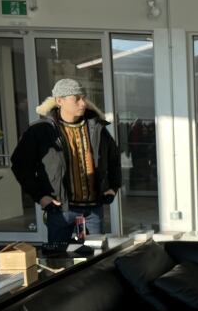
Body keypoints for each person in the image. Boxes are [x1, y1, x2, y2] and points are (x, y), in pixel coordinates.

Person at [11, 78, 121, 242]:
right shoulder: (40, 131)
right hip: (60, 210)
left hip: (93, 211)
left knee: (94, 260)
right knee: (61, 261)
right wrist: (40, 196)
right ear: (59, 100)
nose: (83, 103)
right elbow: (20, 166)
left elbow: (113, 159)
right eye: (76, 98)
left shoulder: (97, 127)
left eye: (83, 97)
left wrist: (112, 186)